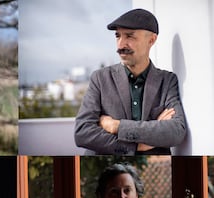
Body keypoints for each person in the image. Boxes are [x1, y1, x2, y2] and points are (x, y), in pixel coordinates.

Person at [74, 9, 186, 155]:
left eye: (129, 36)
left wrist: (116, 126)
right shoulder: (100, 78)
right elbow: (82, 133)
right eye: (118, 36)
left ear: (151, 40)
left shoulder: (167, 81)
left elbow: (176, 132)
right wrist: (136, 146)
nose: (120, 45)